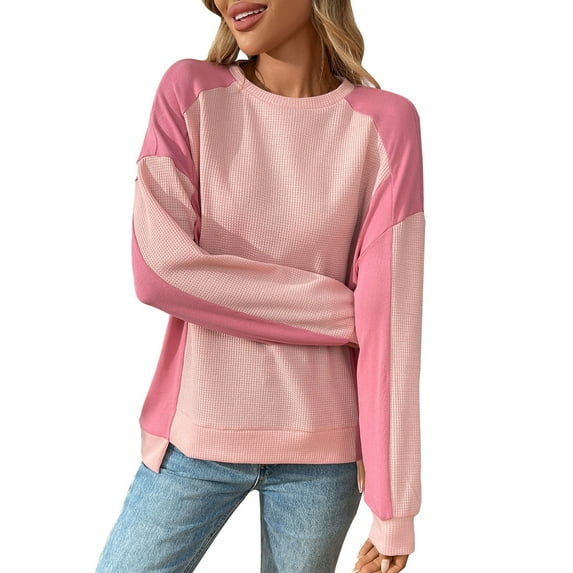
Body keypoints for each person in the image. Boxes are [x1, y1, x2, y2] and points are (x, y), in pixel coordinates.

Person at [95, 0, 425, 571]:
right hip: (196, 439)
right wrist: (346, 312)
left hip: (324, 455)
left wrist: (394, 508)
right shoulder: (191, 92)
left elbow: (395, 330)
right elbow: (159, 267)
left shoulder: (385, 123)